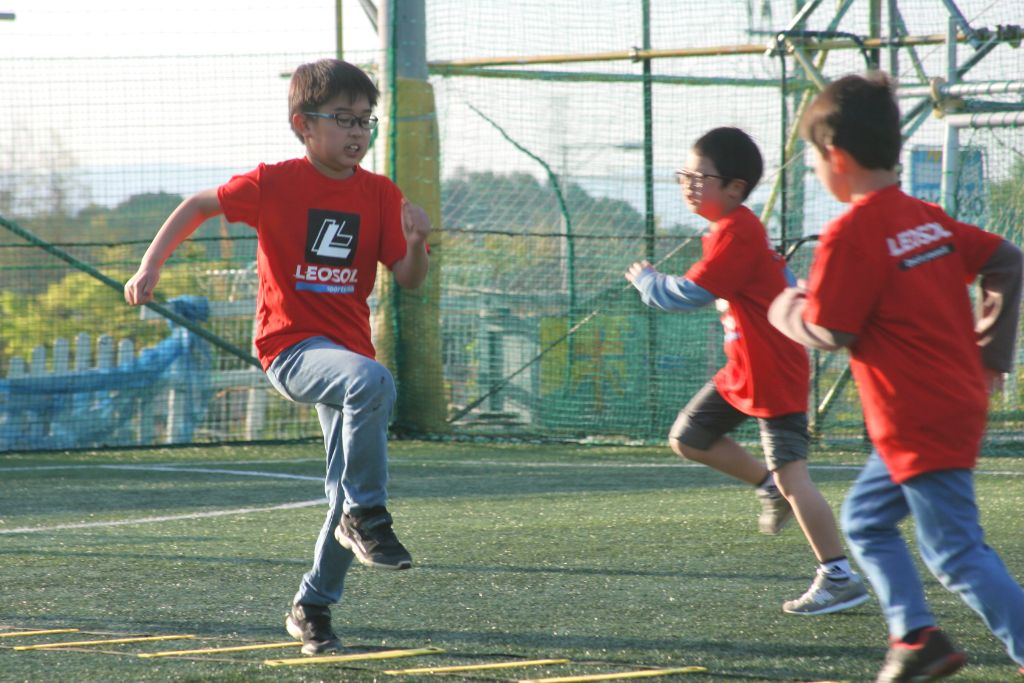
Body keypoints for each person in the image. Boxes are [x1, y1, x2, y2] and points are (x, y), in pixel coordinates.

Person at [123, 58, 431, 655]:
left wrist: (417, 243)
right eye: (343, 118)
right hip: (291, 349)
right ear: (303, 125)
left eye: (365, 120)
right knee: (372, 388)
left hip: (348, 364)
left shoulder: (380, 193)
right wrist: (150, 264)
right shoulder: (274, 183)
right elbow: (197, 204)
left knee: (344, 486)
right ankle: (369, 515)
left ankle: (312, 604)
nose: (357, 132)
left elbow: (409, 277)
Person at [769, 72, 1024, 682]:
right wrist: (992, 355)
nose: (815, 170)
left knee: (955, 553)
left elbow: (832, 328)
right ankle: (914, 637)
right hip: (941, 407)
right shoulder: (925, 218)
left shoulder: (851, 233)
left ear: (836, 157)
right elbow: (1007, 260)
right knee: (864, 521)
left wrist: (785, 307)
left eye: (812, 160)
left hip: (916, 417)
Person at [625, 126, 868, 616]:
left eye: (699, 177)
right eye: (684, 175)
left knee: (794, 478)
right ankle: (767, 487)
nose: (688, 184)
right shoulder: (729, 229)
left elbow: (689, 293)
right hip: (744, 371)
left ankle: (838, 575)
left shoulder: (738, 230)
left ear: (735, 188)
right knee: (689, 437)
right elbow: (778, 280)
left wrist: (648, 281)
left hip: (772, 373)